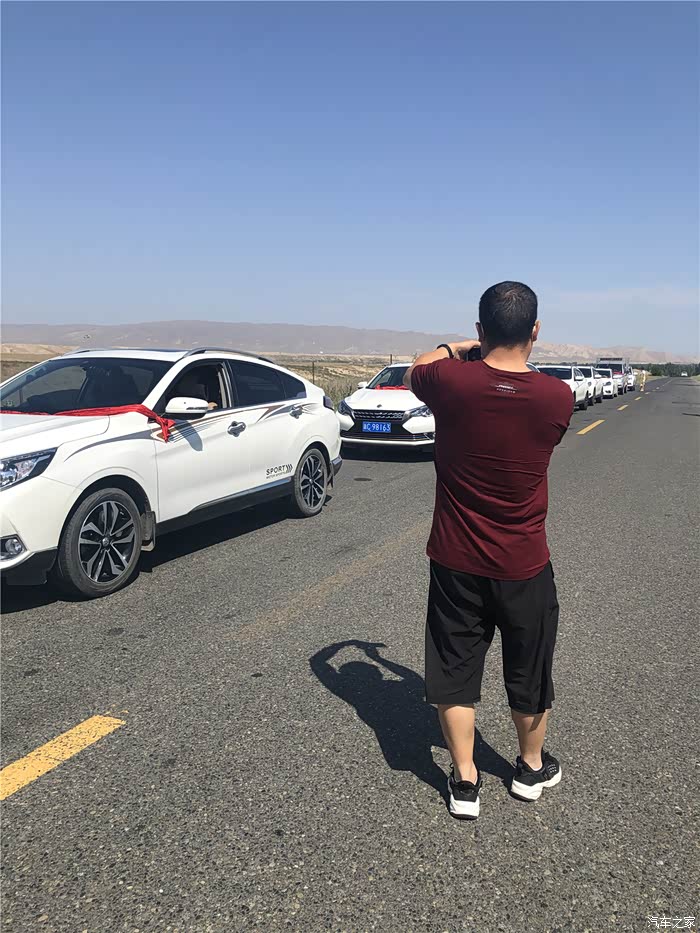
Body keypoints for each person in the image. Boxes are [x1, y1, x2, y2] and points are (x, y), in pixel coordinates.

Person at [403, 281, 573, 820]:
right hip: (525, 563)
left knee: (454, 670)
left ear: (480, 331)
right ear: (536, 330)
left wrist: (454, 348)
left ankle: (465, 780)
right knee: (529, 668)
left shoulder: (449, 382)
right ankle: (529, 768)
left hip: (455, 560)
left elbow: (415, 368)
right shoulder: (557, 396)